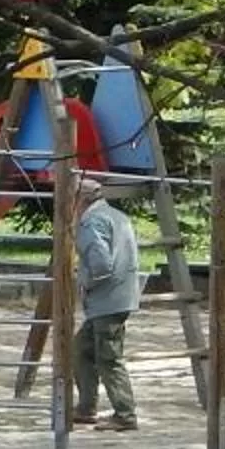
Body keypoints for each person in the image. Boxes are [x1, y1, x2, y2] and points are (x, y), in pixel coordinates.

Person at [73, 173, 142, 431]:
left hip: (107, 299)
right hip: (118, 296)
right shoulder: (116, 216)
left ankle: (125, 414)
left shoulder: (91, 221)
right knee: (81, 349)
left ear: (79, 200)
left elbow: (101, 264)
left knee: (109, 357)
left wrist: (84, 283)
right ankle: (86, 407)